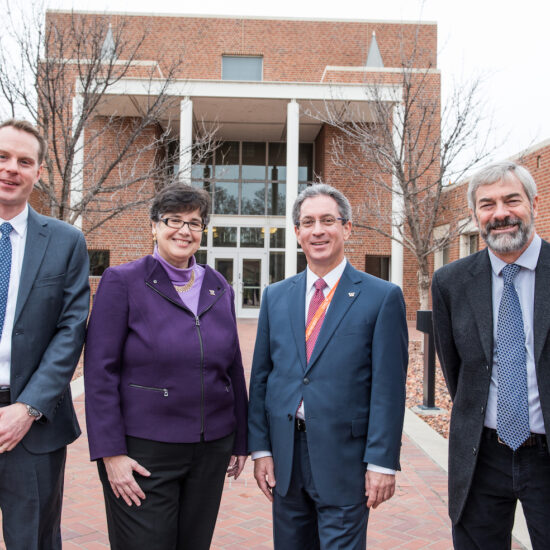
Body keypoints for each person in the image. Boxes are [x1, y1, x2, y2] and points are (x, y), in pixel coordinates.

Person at [84, 183, 248, 550]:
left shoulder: (219, 286)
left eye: (194, 222)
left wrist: (240, 440)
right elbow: (99, 372)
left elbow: (233, 367)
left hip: (211, 449)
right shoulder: (123, 281)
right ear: (154, 227)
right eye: (174, 220)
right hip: (144, 452)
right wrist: (111, 453)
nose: (184, 230)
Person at [248, 183, 408, 550]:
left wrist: (382, 463)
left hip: (345, 463)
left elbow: (388, 388)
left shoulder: (382, 297)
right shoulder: (276, 296)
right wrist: (261, 450)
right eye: (308, 222)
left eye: (327, 220)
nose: (317, 230)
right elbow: (261, 377)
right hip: (286, 460)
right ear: (297, 233)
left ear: (347, 228)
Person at [432, 161, 550, 549]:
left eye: (511, 200)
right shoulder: (450, 282)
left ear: (534, 202)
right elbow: (458, 371)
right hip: (481, 455)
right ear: (474, 215)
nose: (500, 213)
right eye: (487, 204)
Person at [0, 119, 90, 548]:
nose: (11, 168)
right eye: (2, 157)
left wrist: (29, 407)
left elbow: (71, 329)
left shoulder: (66, 241)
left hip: (32, 425)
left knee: (32, 540)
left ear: (38, 173)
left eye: (24, 161)